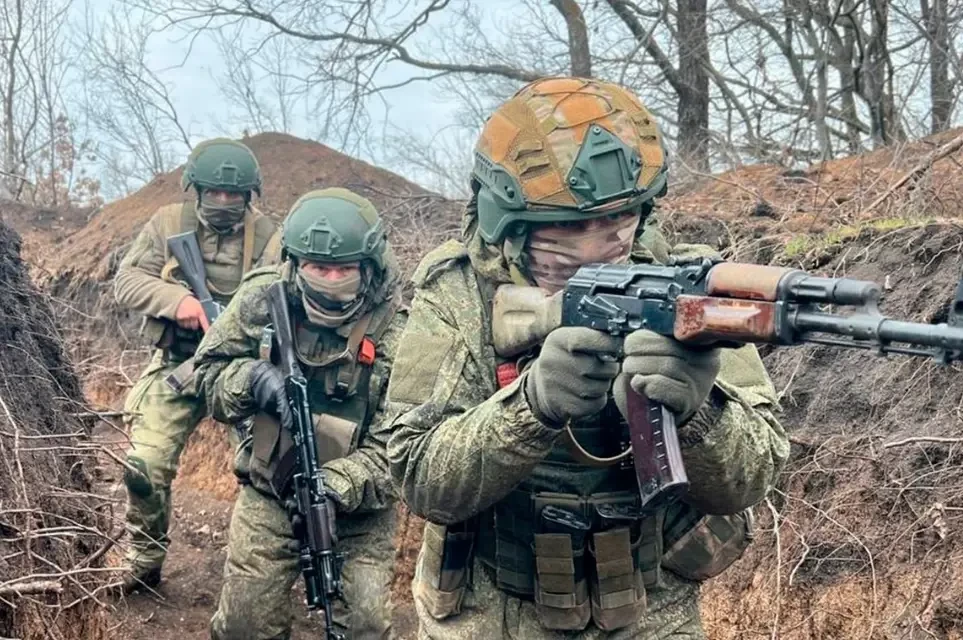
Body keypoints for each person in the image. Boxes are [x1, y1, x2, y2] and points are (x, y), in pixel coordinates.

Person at [384, 76, 790, 639]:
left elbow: (753, 480)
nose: (599, 248)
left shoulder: (688, 286)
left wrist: (700, 412)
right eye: (571, 231)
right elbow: (418, 477)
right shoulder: (459, 295)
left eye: (617, 225)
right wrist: (531, 406)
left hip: (649, 613)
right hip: (490, 615)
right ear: (511, 228)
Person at [192, 187, 405, 639]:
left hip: (362, 512)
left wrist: (335, 487)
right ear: (295, 263)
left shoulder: (401, 330)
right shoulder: (263, 297)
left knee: (364, 625)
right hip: (270, 491)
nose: (331, 279)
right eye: (318, 268)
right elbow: (206, 376)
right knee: (243, 627)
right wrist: (252, 378)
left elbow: (404, 447)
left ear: (369, 266)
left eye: (345, 269)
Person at [114, 138, 280, 591]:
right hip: (179, 362)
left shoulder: (271, 239)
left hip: (241, 370)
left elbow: (285, 300)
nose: (224, 202)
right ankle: (145, 558)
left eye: (234, 195)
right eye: (215, 193)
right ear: (197, 190)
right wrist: (179, 302)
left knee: (265, 472)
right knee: (143, 464)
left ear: (249, 195)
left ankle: (257, 577)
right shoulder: (169, 223)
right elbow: (127, 281)